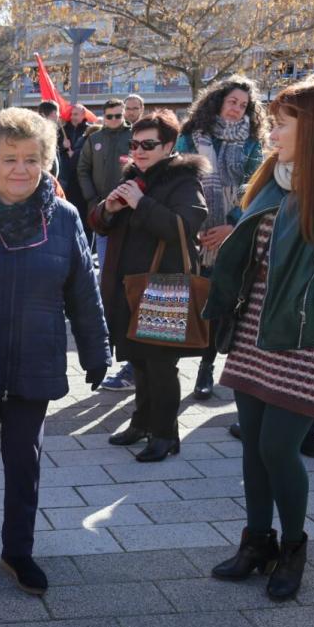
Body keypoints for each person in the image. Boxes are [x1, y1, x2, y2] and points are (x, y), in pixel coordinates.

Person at [205, 77, 314, 600]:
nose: (272, 133)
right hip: (255, 328)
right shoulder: (275, 177)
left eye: (283, 124)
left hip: (313, 336)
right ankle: (256, 543)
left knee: (278, 448)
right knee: (253, 448)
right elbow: (250, 243)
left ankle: (293, 548)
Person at [0, 108, 109, 594]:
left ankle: (18, 550)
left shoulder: (64, 217)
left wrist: (96, 351)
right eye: (10, 159)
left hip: (35, 355)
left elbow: (83, 290)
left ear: (46, 162)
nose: (21, 169)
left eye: (32, 159)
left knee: (24, 457)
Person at [88, 110, 208, 462]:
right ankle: (141, 423)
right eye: (134, 144)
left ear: (169, 146)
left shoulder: (183, 181)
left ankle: (166, 434)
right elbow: (100, 224)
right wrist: (108, 209)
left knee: (160, 364)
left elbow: (182, 227)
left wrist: (141, 203)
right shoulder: (133, 177)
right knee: (138, 360)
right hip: (128, 286)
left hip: (163, 286)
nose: (138, 151)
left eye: (148, 145)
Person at [176, 75, 267, 400]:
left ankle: (206, 366)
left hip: (232, 235)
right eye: (232, 102)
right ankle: (165, 364)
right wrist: (194, 221)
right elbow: (180, 179)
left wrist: (232, 226)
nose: (237, 109)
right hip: (191, 229)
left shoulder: (253, 143)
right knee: (183, 297)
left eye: (243, 105)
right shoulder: (190, 136)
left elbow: (255, 190)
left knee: (219, 302)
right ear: (217, 101)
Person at [79, 99, 135, 392]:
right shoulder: (94, 139)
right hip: (102, 212)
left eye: (118, 115)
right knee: (106, 275)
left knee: (127, 278)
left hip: (130, 212)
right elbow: (83, 169)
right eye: (109, 116)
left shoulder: (133, 137)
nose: (114, 119)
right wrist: (92, 200)